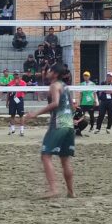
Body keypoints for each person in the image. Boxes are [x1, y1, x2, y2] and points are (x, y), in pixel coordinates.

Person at [25, 63, 76, 198]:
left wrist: (35, 113)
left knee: (46, 155)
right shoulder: (65, 86)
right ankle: (71, 192)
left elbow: (55, 103)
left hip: (58, 124)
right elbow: (72, 106)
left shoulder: (54, 85)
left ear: (54, 74)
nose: (46, 72)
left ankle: (53, 189)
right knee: (65, 159)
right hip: (69, 124)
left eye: (49, 70)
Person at [7, 69, 27, 135]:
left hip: (19, 99)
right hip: (12, 99)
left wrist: (19, 86)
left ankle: (22, 130)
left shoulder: (23, 83)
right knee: (12, 114)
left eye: (17, 74)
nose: (16, 76)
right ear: (13, 75)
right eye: (15, 74)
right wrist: (7, 101)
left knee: (21, 115)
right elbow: (8, 93)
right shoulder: (10, 83)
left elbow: (26, 92)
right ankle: (12, 129)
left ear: (19, 75)